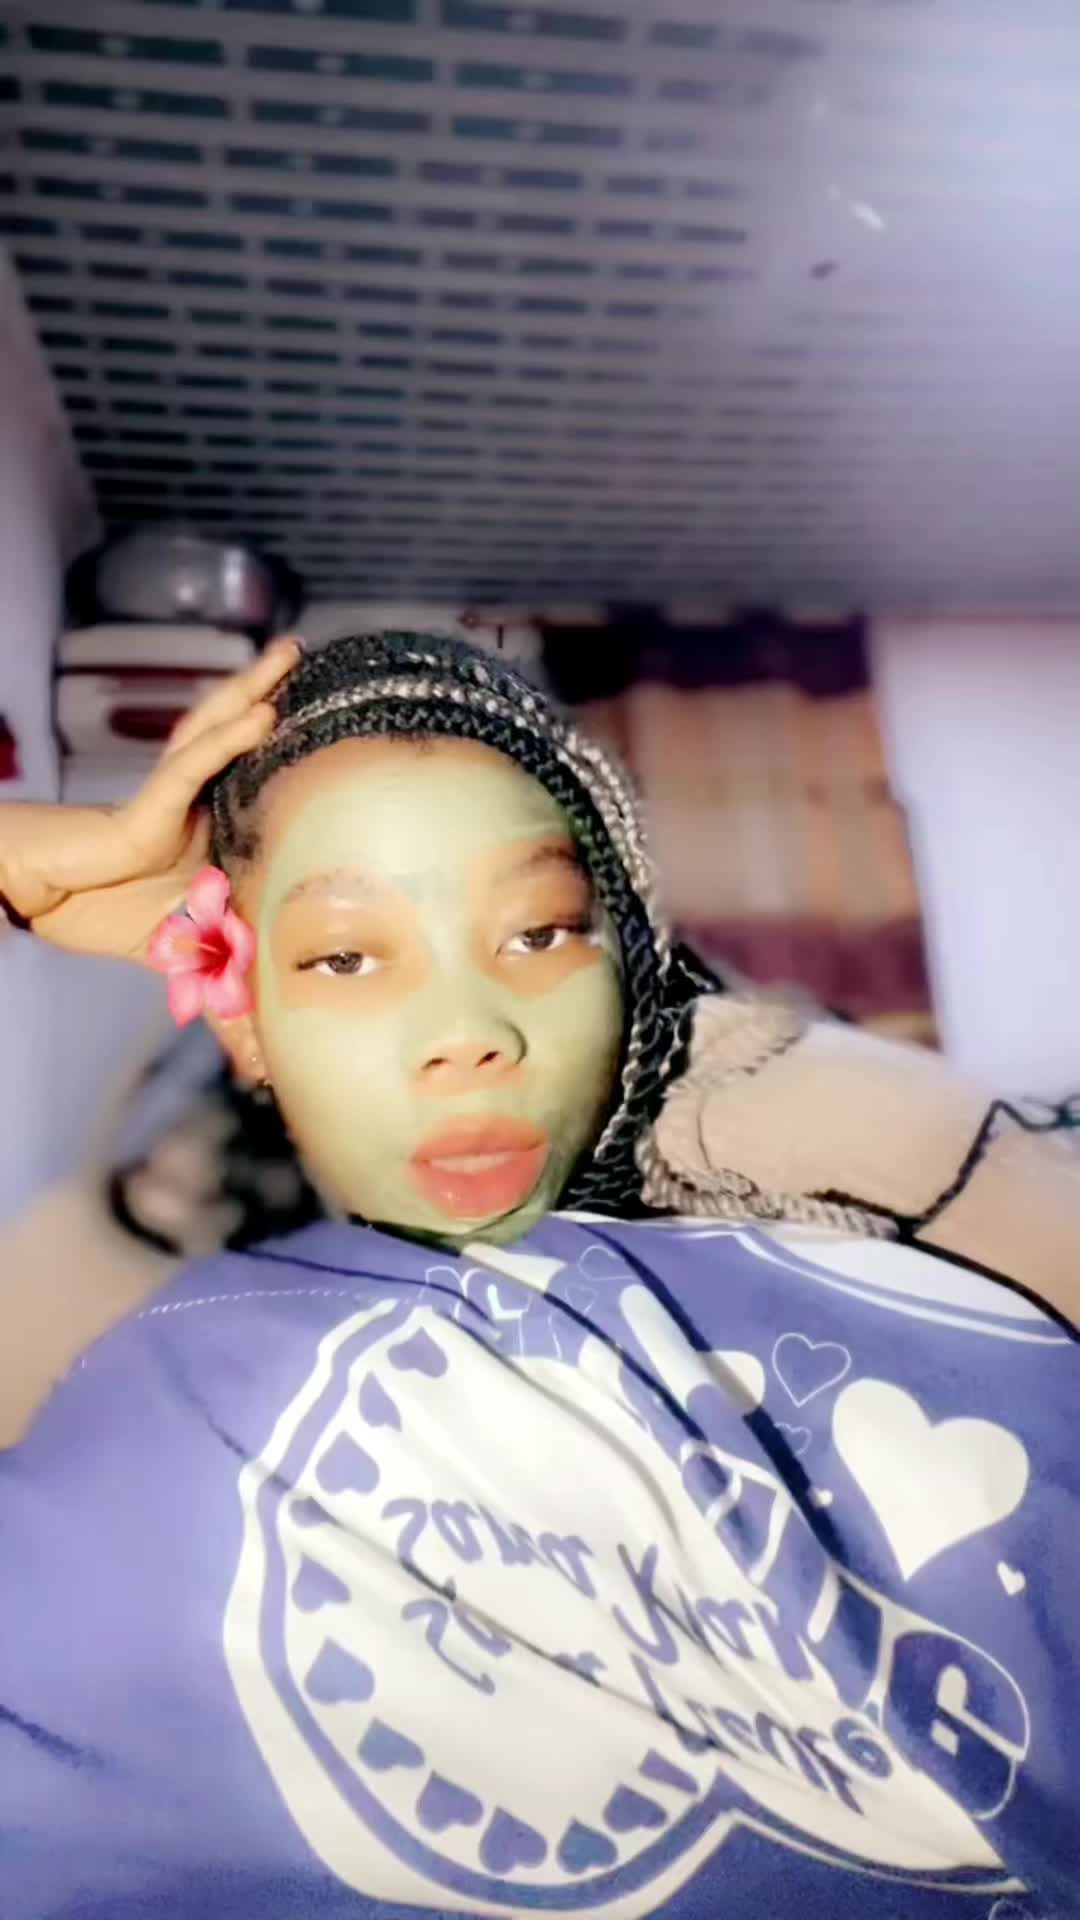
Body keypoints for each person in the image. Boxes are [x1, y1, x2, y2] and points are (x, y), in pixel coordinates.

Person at [0, 630, 1077, 1920]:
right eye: (345, 956)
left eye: (542, 932)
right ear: (244, 1016)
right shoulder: (164, 1356)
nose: (468, 1035)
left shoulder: (821, 1149)